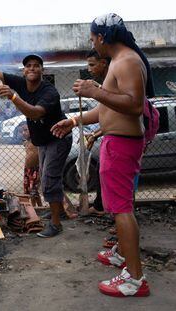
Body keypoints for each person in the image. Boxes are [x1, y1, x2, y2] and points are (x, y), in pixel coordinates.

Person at [51, 13, 154, 297]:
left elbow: (133, 106)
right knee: (119, 208)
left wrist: (95, 91)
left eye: (93, 37)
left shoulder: (128, 61)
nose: (92, 42)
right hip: (115, 142)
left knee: (122, 210)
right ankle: (126, 261)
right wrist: (73, 120)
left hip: (121, 145)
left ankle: (135, 280)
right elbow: (109, 109)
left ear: (103, 37)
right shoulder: (121, 62)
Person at [0, 48, 72, 238]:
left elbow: (34, 113)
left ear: (42, 71)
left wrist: (12, 96)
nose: (32, 68)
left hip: (58, 139)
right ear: (24, 71)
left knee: (49, 181)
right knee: (48, 179)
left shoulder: (50, 92)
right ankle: (57, 213)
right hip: (43, 141)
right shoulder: (22, 83)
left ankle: (56, 224)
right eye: (28, 66)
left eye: (36, 66)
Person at [85, 49, 110, 215]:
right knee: (104, 174)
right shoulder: (106, 84)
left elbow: (113, 115)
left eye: (92, 64)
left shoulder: (112, 81)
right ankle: (102, 206)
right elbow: (107, 114)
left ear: (104, 63)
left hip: (121, 141)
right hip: (111, 138)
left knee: (114, 181)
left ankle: (118, 219)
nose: (89, 69)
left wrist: (96, 91)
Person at [22, 123, 43, 207]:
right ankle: (40, 206)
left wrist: (40, 170)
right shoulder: (26, 143)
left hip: (36, 169)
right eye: (22, 131)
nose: (23, 133)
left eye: (26, 130)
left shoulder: (37, 143)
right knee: (29, 189)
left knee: (33, 190)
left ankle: (34, 208)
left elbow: (40, 157)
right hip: (27, 169)